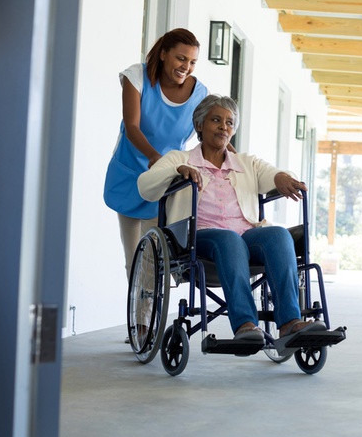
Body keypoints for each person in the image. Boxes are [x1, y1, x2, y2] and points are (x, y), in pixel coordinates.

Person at [137, 94, 325, 344]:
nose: (224, 127)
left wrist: (281, 177)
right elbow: (145, 186)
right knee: (228, 240)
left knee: (278, 234)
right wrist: (176, 171)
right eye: (216, 120)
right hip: (197, 237)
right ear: (200, 125)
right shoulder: (178, 159)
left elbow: (273, 173)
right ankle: (245, 324)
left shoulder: (247, 163)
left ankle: (290, 322)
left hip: (246, 235)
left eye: (229, 122)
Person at [103, 28, 208, 282]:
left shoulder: (200, 93)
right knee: (133, 258)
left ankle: (150, 318)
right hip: (130, 172)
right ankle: (140, 321)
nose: (186, 66)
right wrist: (155, 158)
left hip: (163, 180)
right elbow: (132, 127)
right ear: (163, 54)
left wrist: (233, 159)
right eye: (181, 58)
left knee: (153, 258)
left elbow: (214, 134)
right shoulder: (137, 76)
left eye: (192, 61)